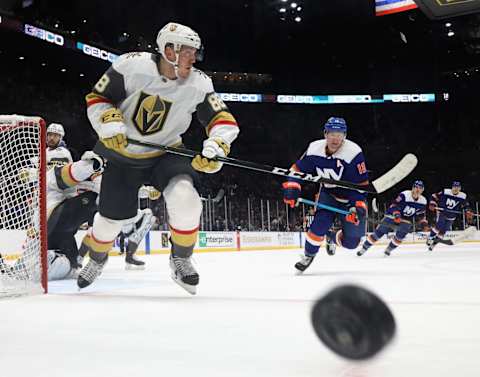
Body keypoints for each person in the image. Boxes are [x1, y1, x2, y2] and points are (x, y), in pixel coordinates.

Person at [77, 22, 239, 294]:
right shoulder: (130, 66)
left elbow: (223, 120)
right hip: (123, 156)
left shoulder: (199, 83)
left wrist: (217, 144)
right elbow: (98, 98)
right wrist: (108, 121)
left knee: (185, 198)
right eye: (187, 51)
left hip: (167, 151)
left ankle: (181, 258)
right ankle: (97, 257)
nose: (193, 58)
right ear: (168, 50)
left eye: (195, 52)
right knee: (108, 223)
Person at [282, 117, 369, 273]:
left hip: (350, 198)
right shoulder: (314, 148)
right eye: (332, 133)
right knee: (318, 226)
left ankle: (332, 236)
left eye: (339, 134)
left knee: (351, 243)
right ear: (325, 134)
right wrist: (293, 187)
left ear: (345, 135)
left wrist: (357, 207)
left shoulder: (354, 153)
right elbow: (297, 170)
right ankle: (308, 255)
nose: (335, 138)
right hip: (328, 194)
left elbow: (361, 187)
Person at [357, 180, 428, 257]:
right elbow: (395, 205)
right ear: (412, 188)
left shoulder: (423, 201)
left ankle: (389, 249)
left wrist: (423, 223)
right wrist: (397, 214)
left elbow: (421, 214)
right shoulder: (404, 195)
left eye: (420, 188)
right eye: (416, 187)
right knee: (379, 233)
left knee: (400, 236)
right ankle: (364, 248)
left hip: (406, 220)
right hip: (392, 215)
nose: (417, 189)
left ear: (422, 190)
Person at [426, 181, 473, 251]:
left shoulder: (463, 196)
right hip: (442, 212)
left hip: (452, 216)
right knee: (439, 226)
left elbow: (466, 205)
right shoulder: (445, 192)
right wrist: (432, 203)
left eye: (457, 187)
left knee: (443, 232)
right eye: (454, 187)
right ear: (452, 187)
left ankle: (434, 244)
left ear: (460, 188)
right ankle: (430, 238)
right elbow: (434, 196)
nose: (455, 189)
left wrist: (468, 211)